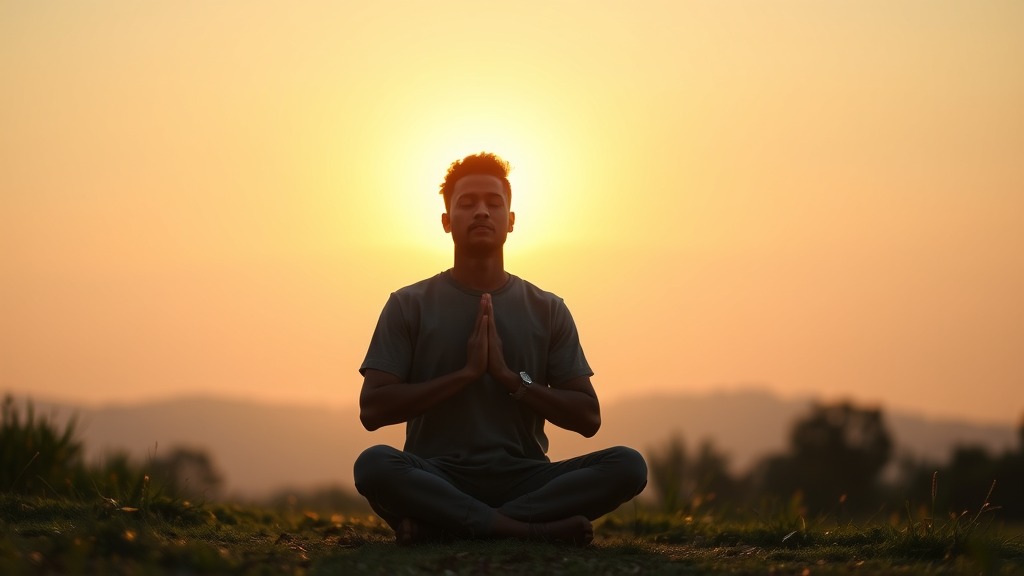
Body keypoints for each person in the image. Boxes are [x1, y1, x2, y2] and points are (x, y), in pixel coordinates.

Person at [353, 152, 647, 546]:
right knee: (373, 464)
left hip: (526, 479)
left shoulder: (547, 308)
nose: (481, 212)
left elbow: (588, 417)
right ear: (446, 221)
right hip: (437, 476)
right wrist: (465, 375)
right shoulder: (409, 305)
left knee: (628, 465)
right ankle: (522, 530)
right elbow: (372, 410)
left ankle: (451, 526)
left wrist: (513, 379)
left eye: (494, 203)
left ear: (510, 220)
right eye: (467, 203)